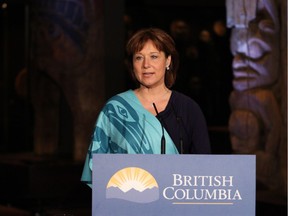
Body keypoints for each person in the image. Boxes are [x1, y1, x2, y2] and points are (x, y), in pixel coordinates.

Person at [81, 27, 211, 187]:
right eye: (139, 58)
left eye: (154, 57)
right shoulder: (114, 109)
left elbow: (205, 171)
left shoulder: (188, 109)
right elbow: (97, 169)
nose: (146, 65)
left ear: (168, 61)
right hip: (124, 204)